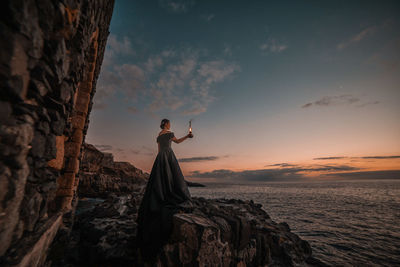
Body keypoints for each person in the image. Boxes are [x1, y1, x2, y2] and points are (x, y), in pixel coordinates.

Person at [136, 118, 194, 260]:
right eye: (169, 123)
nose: (170, 125)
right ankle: (171, 194)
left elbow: (159, 150)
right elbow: (178, 142)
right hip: (168, 155)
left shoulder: (158, 136)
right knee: (173, 177)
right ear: (166, 124)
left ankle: (162, 195)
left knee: (161, 178)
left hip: (160, 157)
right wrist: (188, 136)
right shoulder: (169, 133)